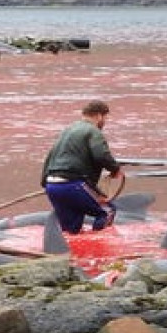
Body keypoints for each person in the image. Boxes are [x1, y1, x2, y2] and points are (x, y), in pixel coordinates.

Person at [41, 99, 124, 233]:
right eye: (105, 117)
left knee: (71, 230)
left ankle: (73, 252)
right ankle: (100, 249)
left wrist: (45, 184)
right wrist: (115, 169)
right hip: (74, 185)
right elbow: (101, 155)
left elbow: (50, 157)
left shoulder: (67, 131)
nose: (105, 122)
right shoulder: (93, 131)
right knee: (107, 211)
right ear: (99, 116)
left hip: (53, 186)